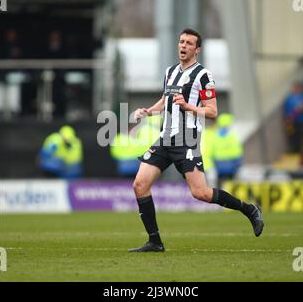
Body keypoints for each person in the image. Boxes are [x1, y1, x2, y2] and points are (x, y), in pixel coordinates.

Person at [129, 28, 264, 253]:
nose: (183, 46)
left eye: (189, 43)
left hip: (187, 139)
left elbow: (212, 112)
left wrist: (188, 106)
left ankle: (249, 210)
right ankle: (155, 241)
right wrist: (147, 111)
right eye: (181, 42)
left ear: (197, 49)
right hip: (165, 138)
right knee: (140, 185)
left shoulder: (203, 75)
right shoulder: (170, 72)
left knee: (200, 193)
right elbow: (164, 101)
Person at [212, 113, 243, 186]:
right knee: (231, 186)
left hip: (219, 166)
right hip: (232, 165)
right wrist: (239, 163)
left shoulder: (215, 135)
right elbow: (237, 151)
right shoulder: (232, 135)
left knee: (221, 187)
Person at [283, 82, 303, 166]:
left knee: (299, 139)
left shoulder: (300, 97)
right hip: (291, 122)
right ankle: (295, 156)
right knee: (293, 138)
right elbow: (289, 111)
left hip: (300, 121)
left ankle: (298, 157)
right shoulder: (289, 98)